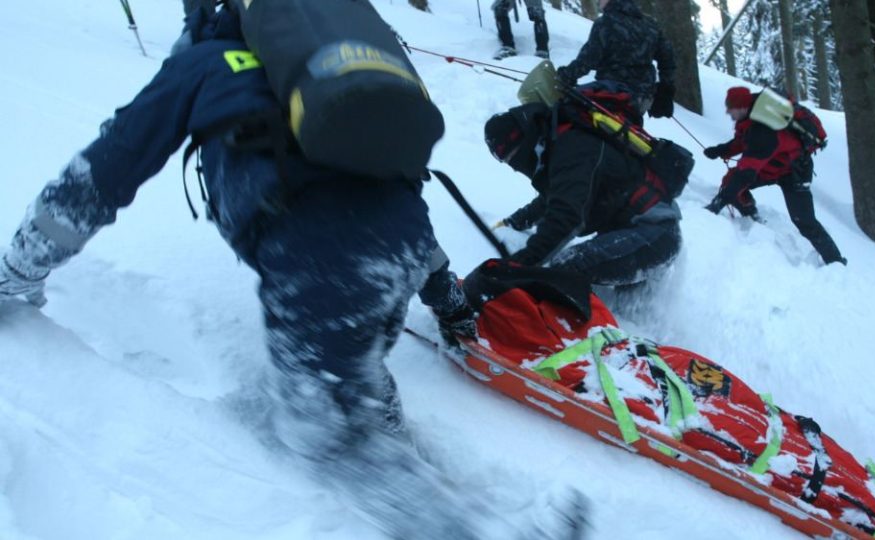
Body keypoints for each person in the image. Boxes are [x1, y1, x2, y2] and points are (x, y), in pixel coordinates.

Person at [0, 4, 513, 539]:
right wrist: (447, 300)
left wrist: (17, 269)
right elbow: (391, 204)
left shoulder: (204, 65)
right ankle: (403, 456)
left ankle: (487, 529)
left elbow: (100, 176)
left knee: (328, 442)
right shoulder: (325, 80)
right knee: (352, 370)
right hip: (403, 251)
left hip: (321, 262)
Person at [485, 102, 682, 288]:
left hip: (653, 236)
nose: (512, 165)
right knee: (622, 310)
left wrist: (517, 267)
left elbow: (565, 217)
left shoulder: (572, 147)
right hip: (643, 233)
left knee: (564, 266)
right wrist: (516, 221)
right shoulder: (558, 141)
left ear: (521, 139)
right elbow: (555, 198)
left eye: (508, 156)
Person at [704, 87, 846, 266]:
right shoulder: (753, 115)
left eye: (730, 107)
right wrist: (721, 150)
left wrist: (717, 204)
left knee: (804, 220)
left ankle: (835, 262)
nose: (727, 111)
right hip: (773, 166)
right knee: (731, 181)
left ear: (741, 107)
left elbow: (746, 172)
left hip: (795, 171)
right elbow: (743, 140)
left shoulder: (763, 130)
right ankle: (751, 215)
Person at [554, 0, 675, 122]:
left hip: (613, 93)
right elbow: (668, 58)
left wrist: (565, 76)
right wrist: (666, 90)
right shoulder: (650, 25)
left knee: (569, 104)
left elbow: (587, 60)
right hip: (642, 98)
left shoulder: (606, 22)